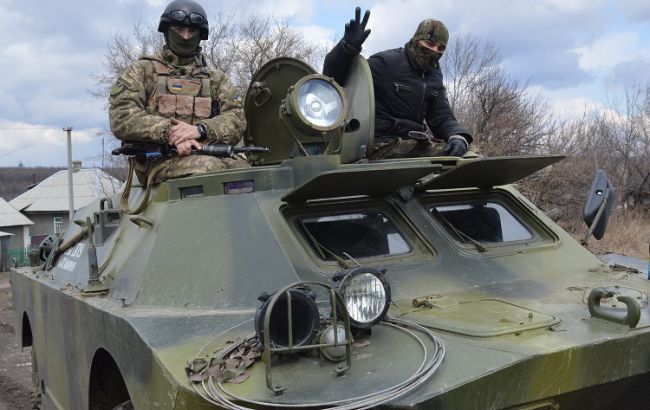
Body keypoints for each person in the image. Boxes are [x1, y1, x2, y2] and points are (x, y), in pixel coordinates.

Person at [109, 0, 247, 184]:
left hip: (210, 153)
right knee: (210, 169)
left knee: (248, 171)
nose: (185, 36)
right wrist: (171, 133)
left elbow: (236, 118)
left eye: (192, 31)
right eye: (179, 29)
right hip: (158, 162)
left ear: (200, 35)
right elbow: (122, 116)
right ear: (166, 30)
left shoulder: (216, 79)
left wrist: (200, 130)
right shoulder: (142, 71)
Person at [323, 8, 473, 159]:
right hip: (380, 143)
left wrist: (458, 136)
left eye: (440, 48)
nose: (434, 51)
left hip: (415, 144)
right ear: (416, 40)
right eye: (429, 44)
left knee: (468, 155)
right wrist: (346, 49)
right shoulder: (386, 63)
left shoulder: (434, 77)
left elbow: (441, 117)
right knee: (444, 155)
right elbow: (334, 78)